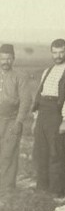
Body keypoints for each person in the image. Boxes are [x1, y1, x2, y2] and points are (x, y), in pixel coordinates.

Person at [32, 39, 65, 196]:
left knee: (56, 152)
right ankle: (42, 187)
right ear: (51, 53)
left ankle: (56, 190)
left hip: (57, 114)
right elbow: (39, 94)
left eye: (61, 52)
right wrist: (36, 119)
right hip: (43, 113)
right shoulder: (47, 71)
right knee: (41, 151)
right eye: (55, 52)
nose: (58, 56)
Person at [0, 44, 34, 198]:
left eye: (8, 58)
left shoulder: (20, 76)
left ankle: (6, 189)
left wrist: (19, 122)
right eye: (2, 58)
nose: (5, 61)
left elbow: (26, 101)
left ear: (13, 59)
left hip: (12, 120)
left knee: (9, 153)